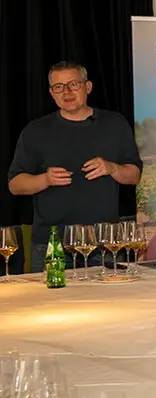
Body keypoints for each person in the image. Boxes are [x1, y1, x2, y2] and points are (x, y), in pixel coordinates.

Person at [7, 62, 142, 273]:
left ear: (88, 87)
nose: (67, 92)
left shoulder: (114, 124)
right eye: (59, 87)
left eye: (73, 84)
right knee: (48, 306)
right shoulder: (36, 130)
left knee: (110, 305)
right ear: (52, 93)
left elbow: (134, 176)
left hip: (105, 245)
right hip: (52, 246)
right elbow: (15, 185)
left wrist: (112, 168)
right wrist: (45, 179)